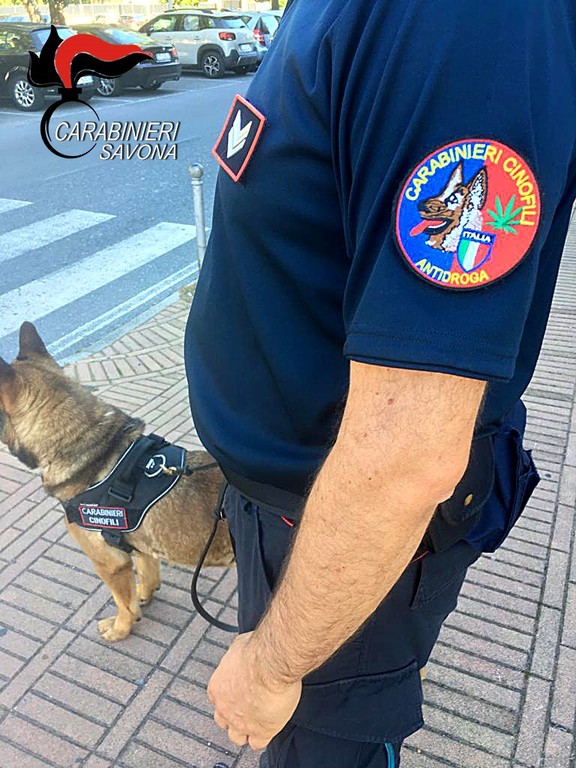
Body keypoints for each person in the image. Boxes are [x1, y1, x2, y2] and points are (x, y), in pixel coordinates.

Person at [184, 1, 576, 765]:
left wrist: (272, 668)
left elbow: (407, 453)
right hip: (301, 509)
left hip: (345, 527)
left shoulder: (460, 21)